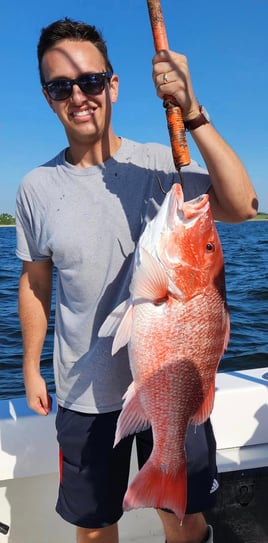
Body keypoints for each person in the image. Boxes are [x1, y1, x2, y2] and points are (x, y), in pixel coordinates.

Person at [16, 17, 258, 543]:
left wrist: (191, 110)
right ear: (48, 97)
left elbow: (242, 205)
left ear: (115, 84)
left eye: (91, 81)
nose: (79, 95)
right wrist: (30, 368)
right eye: (62, 86)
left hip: (174, 380)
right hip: (85, 392)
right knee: (96, 529)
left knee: (186, 519)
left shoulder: (162, 166)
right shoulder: (35, 187)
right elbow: (35, 282)